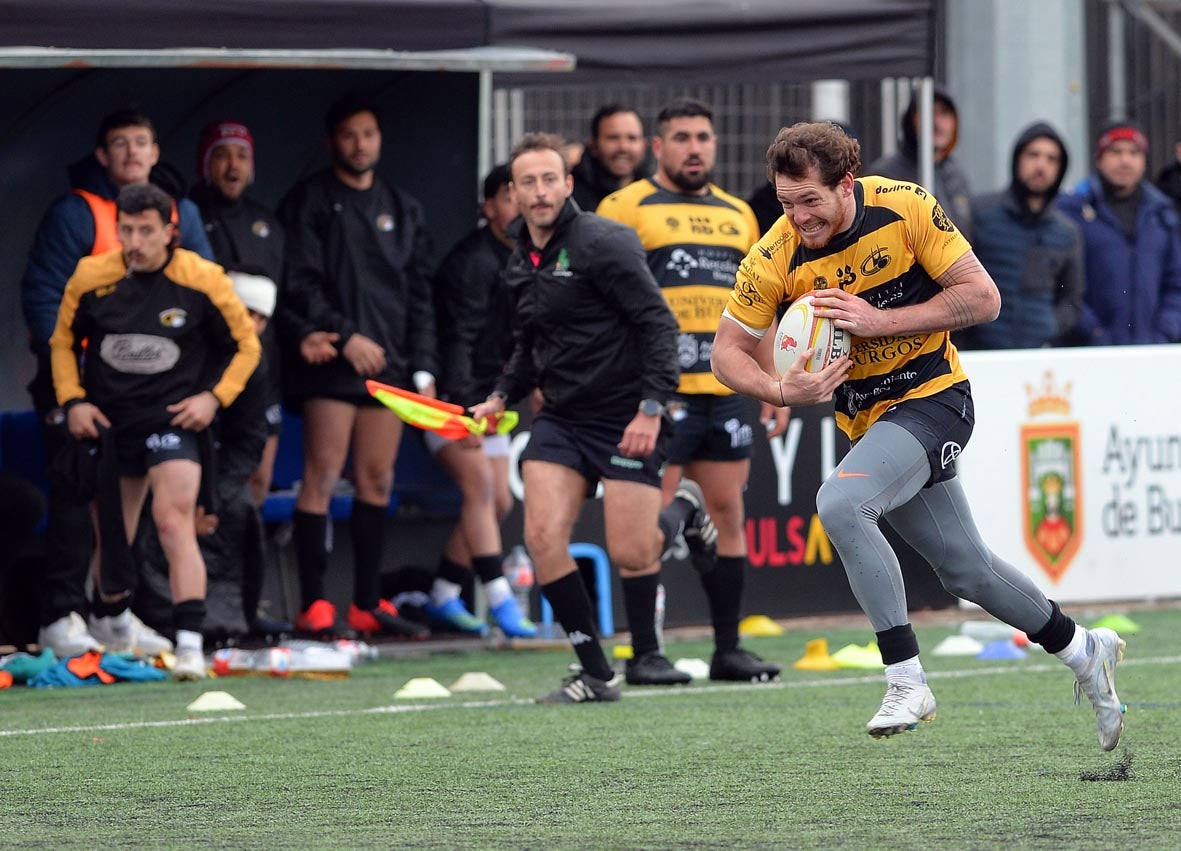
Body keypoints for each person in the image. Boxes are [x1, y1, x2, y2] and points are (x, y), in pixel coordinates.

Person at [710, 121, 1126, 750]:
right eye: (786, 202)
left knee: (842, 502)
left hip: (935, 399)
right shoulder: (774, 254)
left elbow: (983, 299)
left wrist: (882, 322)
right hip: (871, 420)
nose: (797, 217)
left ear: (846, 185)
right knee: (968, 571)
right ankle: (1083, 649)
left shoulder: (905, 206)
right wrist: (778, 389)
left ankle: (906, 678)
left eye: (810, 200)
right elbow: (726, 353)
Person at [470, 133, 717, 704]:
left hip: (626, 413)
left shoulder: (604, 241)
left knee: (632, 551)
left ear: (568, 184)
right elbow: (530, 342)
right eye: (526, 182)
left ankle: (683, 509)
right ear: (512, 193)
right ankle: (595, 672)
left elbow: (658, 325)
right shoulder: (519, 253)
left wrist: (652, 408)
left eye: (548, 179)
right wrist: (503, 396)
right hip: (560, 418)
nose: (538, 191)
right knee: (540, 536)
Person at [597, 98, 785, 685]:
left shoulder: (738, 215)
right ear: (658, 147)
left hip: (724, 386)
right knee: (648, 519)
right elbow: (599, 299)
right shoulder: (622, 207)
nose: (695, 147)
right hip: (655, 392)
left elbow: (759, 307)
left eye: (703, 136)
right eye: (681, 137)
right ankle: (645, 653)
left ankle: (727, 650)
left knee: (730, 513)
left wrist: (772, 382)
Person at [21, 108, 213, 659]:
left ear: (156, 153)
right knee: (77, 492)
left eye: (142, 143)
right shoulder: (77, 212)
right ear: (102, 156)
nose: (131, 152)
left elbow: (205, 301)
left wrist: (198, 385)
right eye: (119, 144)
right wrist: (72, 391)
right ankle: (61, 615)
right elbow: (44, 300)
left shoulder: (185, 214)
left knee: (139, 505)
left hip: (152, 393)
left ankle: (111, 614)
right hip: (83, 386)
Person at [50, 183, 261, 680]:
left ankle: (190, 644)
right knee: (114, 536)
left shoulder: (202, 278)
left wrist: (214, 398)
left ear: (171, 230)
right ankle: (113, 624)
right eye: (126, 229)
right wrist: (73, 401)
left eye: (146, 230)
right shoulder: (91, 276)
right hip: (111, 423)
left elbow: (247, 347)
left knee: (173, 522)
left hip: (172, 421)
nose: (135, 241)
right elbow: (62, 343)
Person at [278, 94, 436, 639]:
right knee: (322, 475)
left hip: (388, 367)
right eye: (349, 134)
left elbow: (420, 295)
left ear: (380, 139)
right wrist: (346, 336)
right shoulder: (311, 200)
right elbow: (297, 280)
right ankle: (314, 606)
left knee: (377, 478)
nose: (359, 144)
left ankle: (367, 605)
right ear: (331, 141)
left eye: (368, 133)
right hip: (333, 362)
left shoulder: (404, 207)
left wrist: (420, 368)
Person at [421, 164, 536, 639]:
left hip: (491, 402)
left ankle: (444, 594)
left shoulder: (530, 254)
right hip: (449, 402)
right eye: (510, 198)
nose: (521, 206)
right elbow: (458, 341)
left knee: (500, 501)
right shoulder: (471, 262)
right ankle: (500, 599)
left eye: (526, 196)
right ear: (489, 208)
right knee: (482, 491)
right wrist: (466, 408)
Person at [135, 271, 279, 643]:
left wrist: (212, 499)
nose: (250, 323)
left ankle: (228, 621)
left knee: (238, 508)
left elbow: (249, 442)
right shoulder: (186, 345)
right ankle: (155, 620)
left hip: (214, 470)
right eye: (242, 311)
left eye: (258, 317)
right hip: (155, 453)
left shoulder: (256, 364)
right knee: (163, 512)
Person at [189, 120, 286, 507]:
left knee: (258, 475)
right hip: (206, 366)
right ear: (206, 163)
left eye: (242, 156)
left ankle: (244, 561)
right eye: (223, 155)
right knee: (202, 474)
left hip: (263, 368)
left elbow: (288, 293)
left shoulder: (269, 224)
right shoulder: (189, 217)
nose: (233, 165)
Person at [958, 122, 1084, 350]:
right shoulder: (980, 214)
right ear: (1018, 159)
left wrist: (1050, 327)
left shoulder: (1066, 232)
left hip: (1036, 361)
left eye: (1051, 158)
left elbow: (1072, 299)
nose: (1041, 165)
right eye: (1033, 154)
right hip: (978, 355)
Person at [1056, 119, 1181, 345]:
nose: (1125, 160)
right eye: (1116, 151)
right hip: (1087, 352)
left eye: (1134, 152)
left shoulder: (1162, 214)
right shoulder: (1072, 210)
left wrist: (1164, 333)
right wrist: (1093, 334)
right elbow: (1063, 285)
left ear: (1144, 160)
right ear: (1099, 157)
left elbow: (1175, 283)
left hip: (1152, 353)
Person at [865, 85, 972, 234]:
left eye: (945, 113)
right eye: (928, 112)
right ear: (911, 119)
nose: (936, 122)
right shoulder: (886, 176)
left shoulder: (956, 175)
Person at [570, 104, 650, 212]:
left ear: (644, 145)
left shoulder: (654, 195)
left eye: (632, 138)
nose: (623, 147)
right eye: (613, 138)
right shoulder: (572, 200)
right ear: (593, 146)